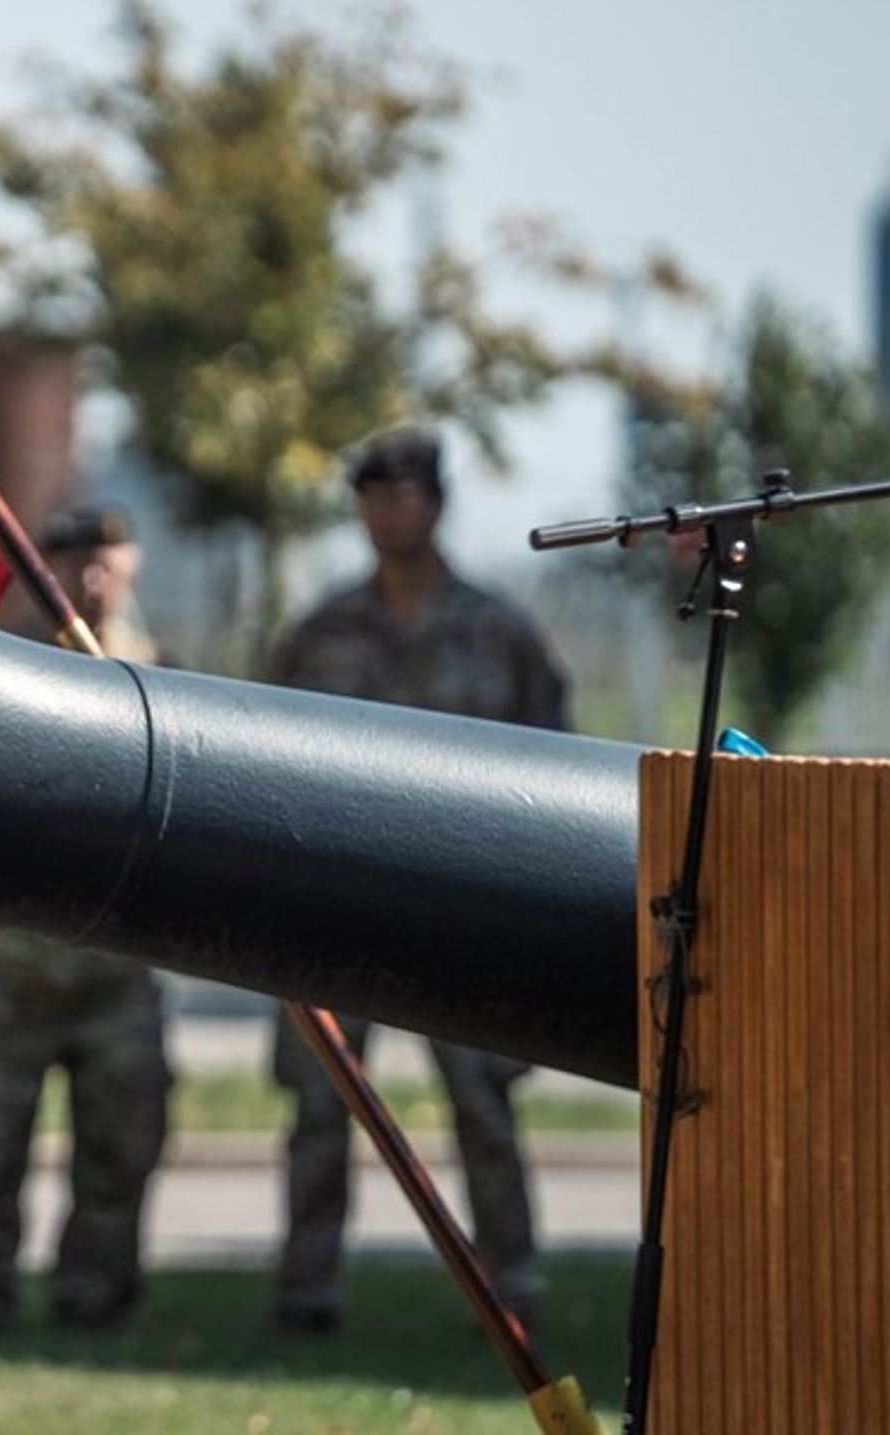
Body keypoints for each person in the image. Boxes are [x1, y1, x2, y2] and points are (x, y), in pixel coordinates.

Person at [265, 428, 569, 1335]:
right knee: (323, 1102)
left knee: (481, 1101)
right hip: (341, 906)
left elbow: (553, 768)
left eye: (403, 492)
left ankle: (512, 1281)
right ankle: (306, 1287)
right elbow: (269, 764)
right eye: (371, 493)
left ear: (435, 503)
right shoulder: (320, 634)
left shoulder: (499, 630)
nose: (387, 509)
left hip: (463, 907)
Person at [0, 503, 174, 1333]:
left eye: (109, 559)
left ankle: (96, 1292)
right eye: (75, 560)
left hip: (115, 979)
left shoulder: (167, 681)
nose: (93, 578)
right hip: (11, 978)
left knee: (120, 1151)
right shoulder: (1, 678)